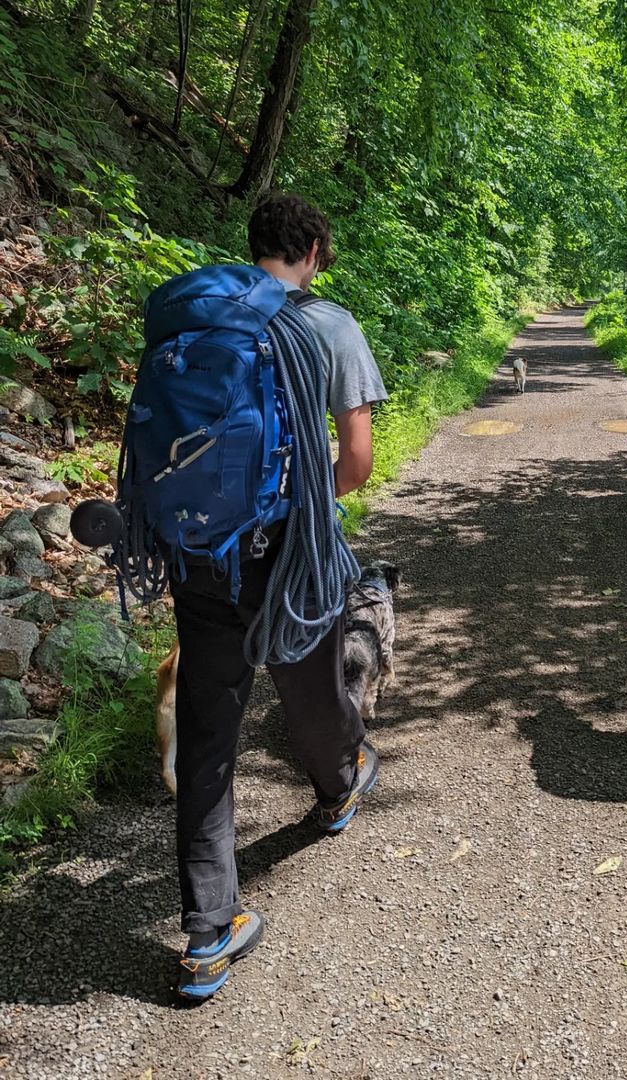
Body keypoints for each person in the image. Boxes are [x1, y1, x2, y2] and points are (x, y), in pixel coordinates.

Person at [171, 194, 388, 998]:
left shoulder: (204, 316)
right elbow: (357, 461)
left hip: (196, 547)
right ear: (315, 251)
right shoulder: (328, 324)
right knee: (312, 692)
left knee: (207, 732)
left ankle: (207, 933)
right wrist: (304, 508)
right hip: (283, 553)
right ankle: (336, 790)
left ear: (255, 245)